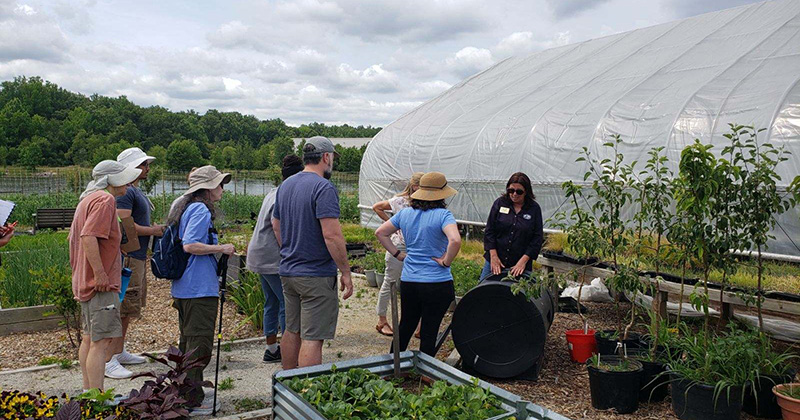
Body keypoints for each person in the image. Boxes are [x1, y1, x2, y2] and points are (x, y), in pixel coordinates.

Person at [272, 136, 353, 370]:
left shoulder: (286, 185)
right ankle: (308, 394)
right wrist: (345, 271)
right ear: (326, 157)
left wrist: (290, 249)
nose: (332, 164)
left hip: (288, 271)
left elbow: (276, 225)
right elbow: (332, 235)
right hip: (315, 274)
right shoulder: (323, 188)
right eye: (332, 159)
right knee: (312, 337)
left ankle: (289, 386)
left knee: (292, 330)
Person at [165, 165, 235, 415]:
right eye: (219, 185)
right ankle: (191, 400)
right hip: (198, 289)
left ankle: (182, 393)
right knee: (199, 345)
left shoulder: (184, 206)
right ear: (206, 189)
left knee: (188, 341)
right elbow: (191, 245)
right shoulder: (199, 209)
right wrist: (221, 248)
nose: (222, 190)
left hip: (186, 287)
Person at [70, 161, 141, 394]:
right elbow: (88, 236)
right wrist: (100, 273)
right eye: (122, 178)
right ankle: (97, 397)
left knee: (89, 338)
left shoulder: (87, 199)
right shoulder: (105, 200)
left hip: (85, 281)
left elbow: (76, 239)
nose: (127, 183)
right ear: (109, 180)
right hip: (100, 284)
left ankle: (89, 392)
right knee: (101, 342)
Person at [375, 171, 461, 356]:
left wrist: (398, 254)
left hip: (410, 280)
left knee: (405, 324)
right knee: (430, 329)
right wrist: (446, 261)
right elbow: (455, 240)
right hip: (437, 281)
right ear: (442, 194)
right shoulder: (443, 215)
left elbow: (380, 233)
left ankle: (393, 364)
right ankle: (426, 374)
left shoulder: (405, 213)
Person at [104, 147, 164, 379]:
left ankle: (118, 351)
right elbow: (123, 224)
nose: (147, 168)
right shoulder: (126, 192)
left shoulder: (133, 190)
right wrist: (154, 231)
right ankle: (109, 358)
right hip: (130, 255)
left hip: (138, 255)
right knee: (123, 306)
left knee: (130, 307)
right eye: (143, 165)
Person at [246, 154, 304, 363]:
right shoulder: (285, 195)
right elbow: (278, 226)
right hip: (272, 258)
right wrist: (291, 253)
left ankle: (272, 348)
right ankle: (289, 351)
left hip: (259, 254)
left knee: (270, 302)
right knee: (285, 304)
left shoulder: (273, 191)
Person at [371, 172, 424, 337]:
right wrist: (391, 224)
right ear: (414, 186)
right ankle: (382, 320)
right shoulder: (401, 201)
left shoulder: (425, 202)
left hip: (417, 246)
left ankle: (420, 325)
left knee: (420, 283)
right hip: (399, 245)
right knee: (390, 282)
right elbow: (377, 207)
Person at [481, 172, 543, 281]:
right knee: (484, 290)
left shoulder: (534, 209)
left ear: (526, 192)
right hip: (496, 261)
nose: (514, 194)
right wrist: (493, 256)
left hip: (519, 265)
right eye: (511, 190)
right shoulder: (500, 203)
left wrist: (523, 261)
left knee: (517, 295)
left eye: (519, 192)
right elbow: (490, 231)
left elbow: (537, 238)